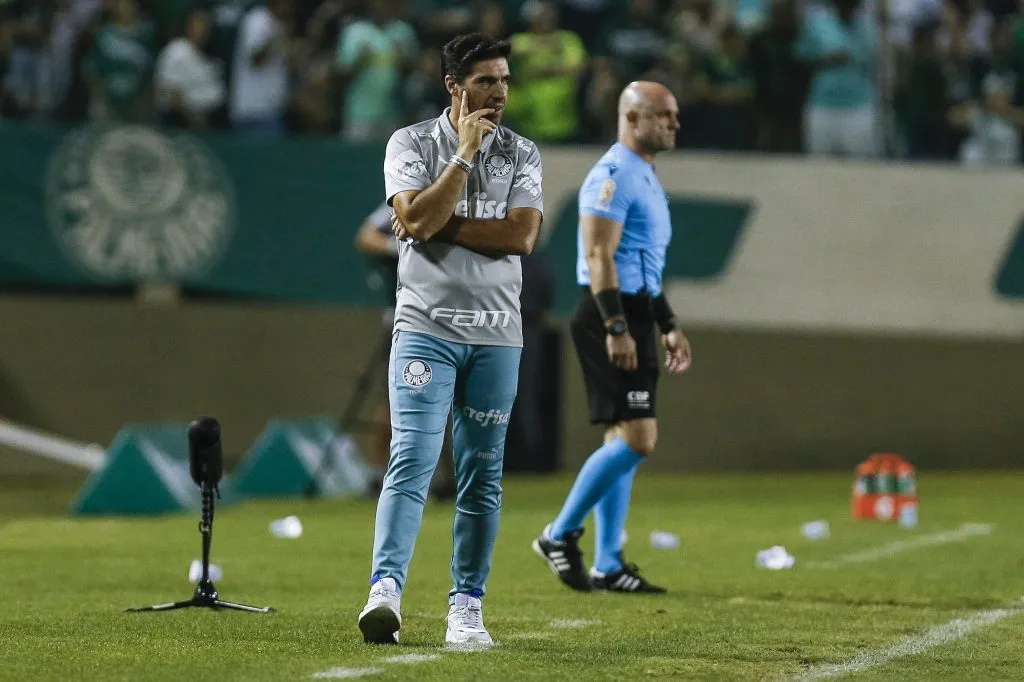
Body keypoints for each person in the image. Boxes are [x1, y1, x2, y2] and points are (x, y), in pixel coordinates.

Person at [357, 32, 544, 647]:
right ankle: (385, 590)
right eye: (486, 80)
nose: (499, 93)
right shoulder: (410, 143)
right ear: (453, 86)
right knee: (410, 456)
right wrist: (462, 157)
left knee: (481, 475)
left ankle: (467, 606)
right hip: (425, 330)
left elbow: (520, 237)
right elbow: (410, 219)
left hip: (497, 336)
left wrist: (437, 227)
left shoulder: (522, 152)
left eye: (505, 80)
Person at [532, 81, 692, 594]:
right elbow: (599, 255)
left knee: (620, 439)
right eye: (663, 115)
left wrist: (667, 324)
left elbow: (644, 264)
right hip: (611, 315)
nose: (675, 123)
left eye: (674, 115)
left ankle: (607, 563)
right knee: (640, 439)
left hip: (637, 313)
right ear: (632, 118)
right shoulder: (612, 175)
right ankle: (559, 534)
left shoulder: (645, 174)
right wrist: (616, 327)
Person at [353, 201, 457, 501]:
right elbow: (366, 237)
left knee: (439, 399)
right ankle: (380, 473)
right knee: (395, 399)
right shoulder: (402, 201)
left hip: (443, 320)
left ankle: (435, 475)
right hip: (403, 321)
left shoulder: (455, 204)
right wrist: (402, 248)